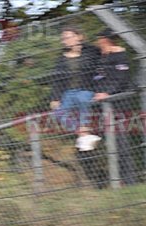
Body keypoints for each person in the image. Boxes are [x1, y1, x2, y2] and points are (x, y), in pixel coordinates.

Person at [93, 28, 139, 186]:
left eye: (99, 38)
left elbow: (120, 79)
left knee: (120, 142)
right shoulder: (102, 57)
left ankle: (129, 181)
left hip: (118, 104)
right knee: (108, 143)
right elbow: (98, 77)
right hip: (102, 106)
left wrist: (107, 92)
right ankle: (115, 179)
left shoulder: (119, 55)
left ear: (105, 39)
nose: (98, 42)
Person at [49, 26, 102, 151]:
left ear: (79, 37)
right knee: (58, 112)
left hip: (86, 88)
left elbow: (96, 68)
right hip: (68, 92)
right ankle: (83, 135)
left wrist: (79, 52)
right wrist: (55, 98)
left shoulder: (92, 51)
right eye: (63, 38)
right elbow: (57, 80)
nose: (65, 40)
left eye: (69, 37)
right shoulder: (61, 59)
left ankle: (84, 132)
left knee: (82, 99)